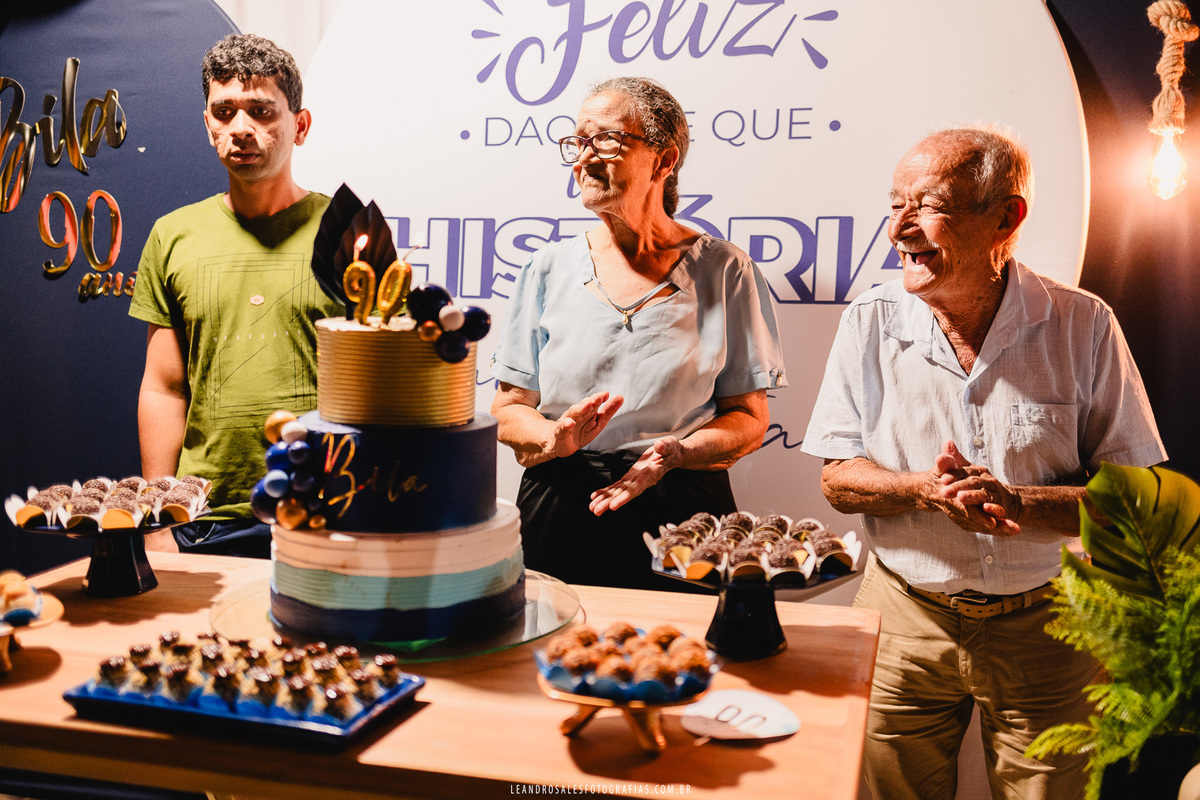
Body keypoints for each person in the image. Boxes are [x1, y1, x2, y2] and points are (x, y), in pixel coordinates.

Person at [801, 126, 1166, 799]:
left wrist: (1021, 505)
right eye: (894, 204)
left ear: (1008, 216)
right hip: (902, 619)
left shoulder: (1084, 325)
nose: (899, 228)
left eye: (928, 204)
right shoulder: (868, 321)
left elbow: (1136, 504)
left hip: (1050, 628)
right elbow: (837, 478)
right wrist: (921, 489)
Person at [490, 77, 787, 590]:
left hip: (682, 510)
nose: (584, 158)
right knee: (549, 652)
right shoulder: (547, 268)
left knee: (684, 658)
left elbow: (749, 419)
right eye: (577, 142)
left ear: (664, 160)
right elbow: (509, 408)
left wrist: (678, 453)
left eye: (604, 140)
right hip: (561, 501)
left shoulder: (724, 271)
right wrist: (553, 436)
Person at [129, 34, 341, 557]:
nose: (240, 128)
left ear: (300, 125)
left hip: (327, 509)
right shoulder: (173, 235)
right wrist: (158, 519)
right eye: (224, 111)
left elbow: (386, 386)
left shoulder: (347, 229)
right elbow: (163, 388)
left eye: (261, 111)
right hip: (204, 517)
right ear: (208, 124)